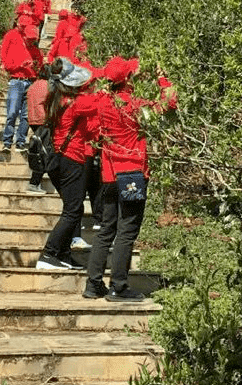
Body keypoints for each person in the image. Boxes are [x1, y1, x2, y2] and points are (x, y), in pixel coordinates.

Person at [83, 56, 177, 301]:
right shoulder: (134, 105)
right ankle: (119, 286)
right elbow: (169, 103)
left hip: (109, 174)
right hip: (132, 173)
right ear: (127, 80)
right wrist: (162, 78)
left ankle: (93, 284)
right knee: (127, 230)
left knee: (107, 228)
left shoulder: (103, 103)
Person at [35, 64, 98, 270]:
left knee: (73, 208)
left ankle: (63, 254)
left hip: (58, 160)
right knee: (72, 211)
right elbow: (101, 103)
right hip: (71, 160)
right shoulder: (77, 103)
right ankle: (49, 254)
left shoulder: (57, 99)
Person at [0, 19, 42, 151]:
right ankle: (7, 141)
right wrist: (21, 65)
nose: (31, 41)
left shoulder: (37, 51)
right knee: (12, 112)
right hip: (16, 80)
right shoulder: (16, 47)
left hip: (30, 81)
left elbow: (40, 69)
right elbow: (7, 66)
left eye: (33, 39)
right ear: (24, 36)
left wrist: (36, 67)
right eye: (29, 38)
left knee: (25, 115)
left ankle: (20, 141)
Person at [24, 63, 51, 193]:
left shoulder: (33, 86)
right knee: (44, 153)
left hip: (33, 120)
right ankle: (34, 182)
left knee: (40, 151)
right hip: (43, 120)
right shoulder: (47, 86)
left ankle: (35, 182)